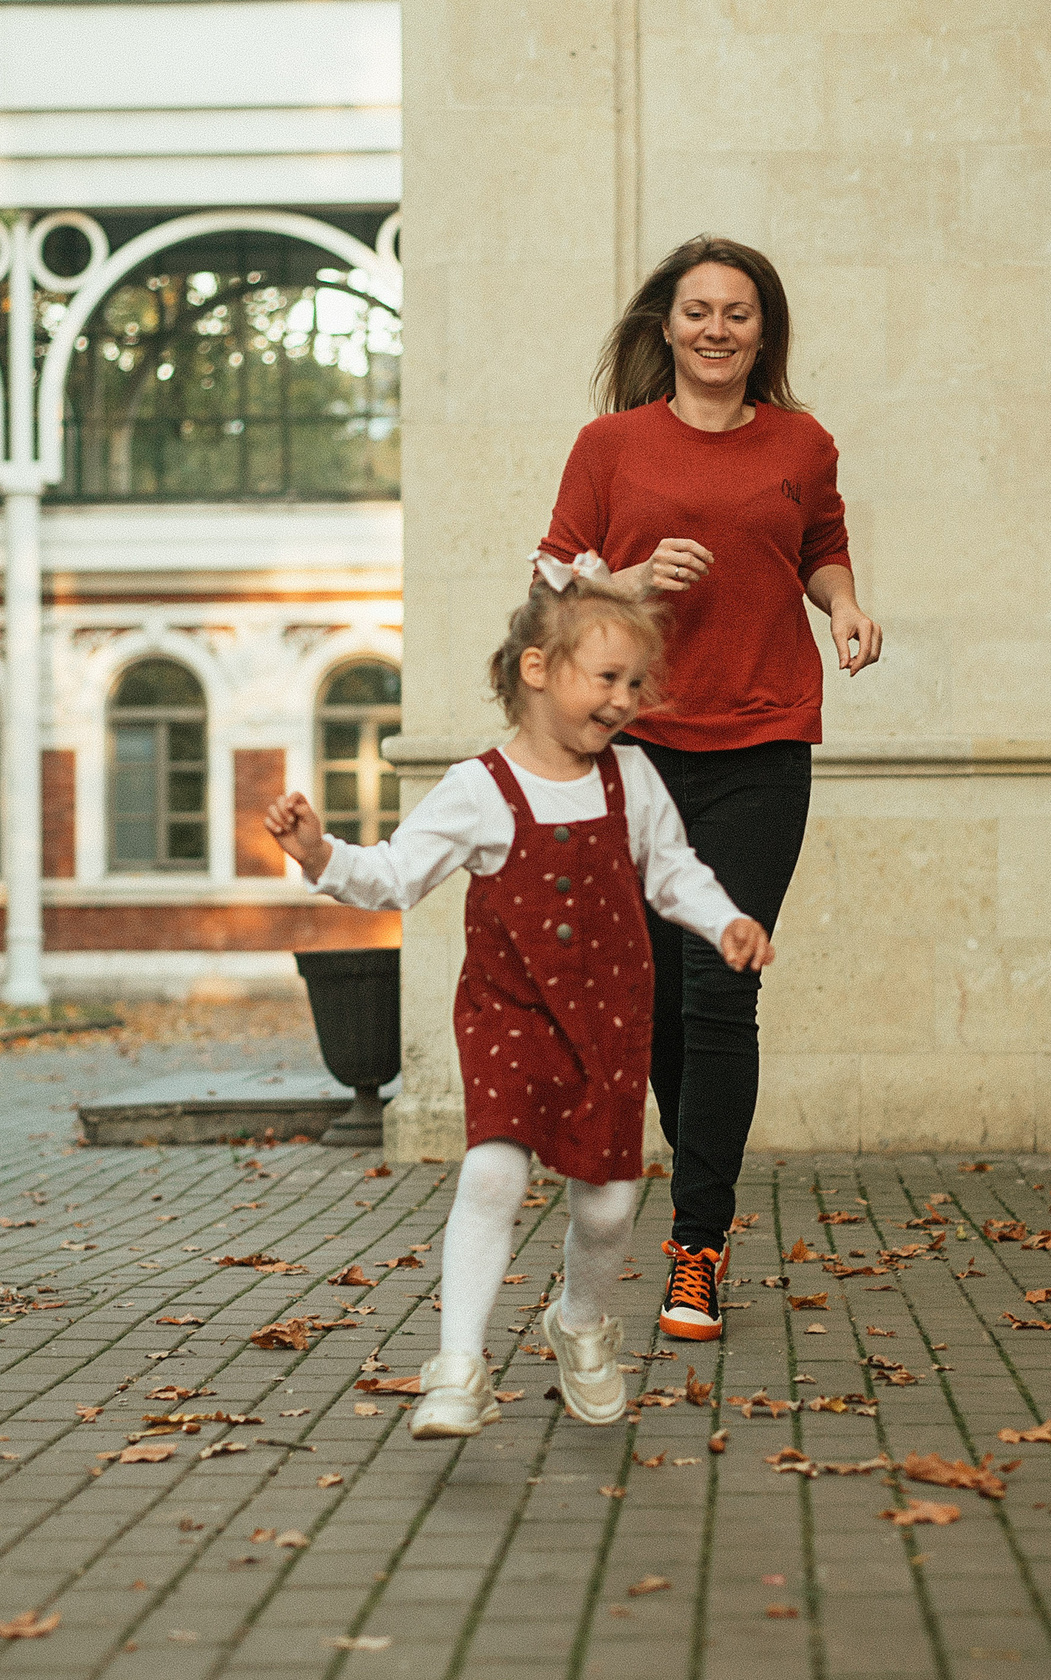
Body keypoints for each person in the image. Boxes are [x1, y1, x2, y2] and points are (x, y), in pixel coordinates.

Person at [266, 560, 771, 1437]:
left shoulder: (632, 781)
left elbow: (676, 871)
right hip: (510, 1015)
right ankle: (458, 1364)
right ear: (537, 668)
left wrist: (724, 921)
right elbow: (391, 875)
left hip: (610, 1020)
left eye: (634, 683)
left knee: (608, 1201)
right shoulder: (477, 789)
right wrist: (320, 854)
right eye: (605, 677)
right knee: (494, 1173)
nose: (622, 699)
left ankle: (579, 1322)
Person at [540, 234, 883, 1343]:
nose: (717, 330)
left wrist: (840, 604)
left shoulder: (802, 440)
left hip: (761, 742)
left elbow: (819, 542)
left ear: (762, 331)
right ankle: (708, 1166)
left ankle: (697, 1245)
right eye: (698, 312)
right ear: (667, 325)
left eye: (738, 314)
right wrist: (629, 580)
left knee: (719, 980)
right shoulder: (609, 444)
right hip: (631, 749)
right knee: (653, 999)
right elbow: (552, 581)